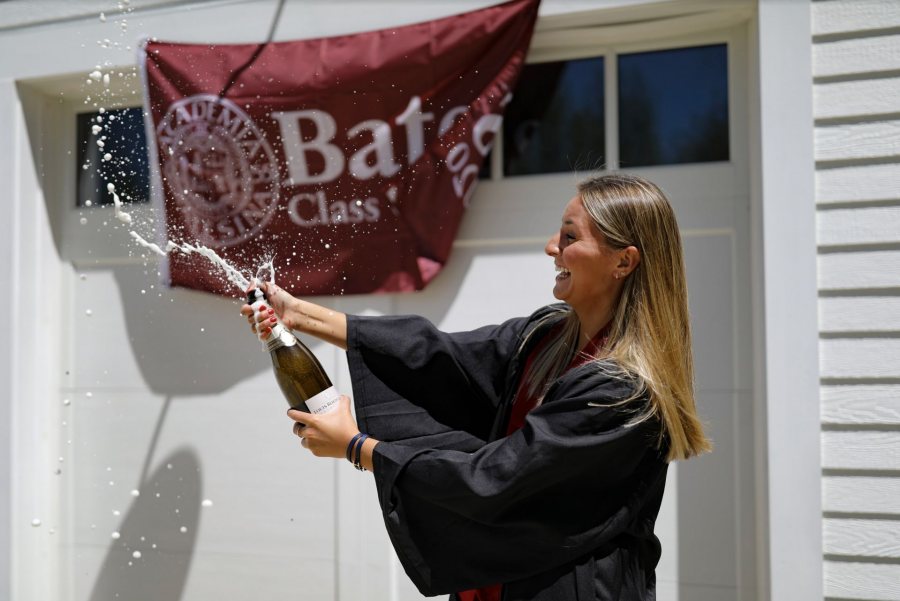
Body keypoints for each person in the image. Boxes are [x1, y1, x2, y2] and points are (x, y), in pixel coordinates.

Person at [241, 173, 711, 600]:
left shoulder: (621, 392)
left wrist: (358, 447)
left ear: (623, 262)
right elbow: (440, 354)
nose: (551, 247)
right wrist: (299, 314)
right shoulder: (546, 335)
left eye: (570, 237)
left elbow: (497, 477)